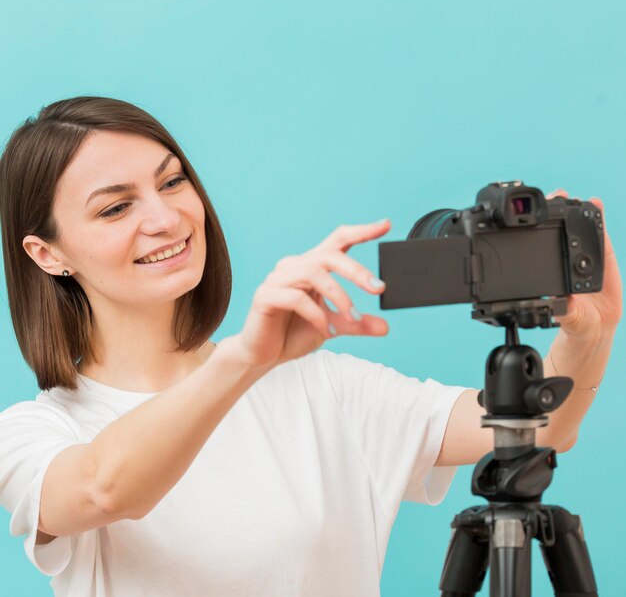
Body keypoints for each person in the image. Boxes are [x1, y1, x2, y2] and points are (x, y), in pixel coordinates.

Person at [0, 96, 620, 597]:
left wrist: (591, 333)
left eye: (173, 181)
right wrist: (247, 359)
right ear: (47, 254)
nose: (165, 218)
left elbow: (538, 430)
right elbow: (106, 489)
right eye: (115, 209)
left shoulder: (321, 387)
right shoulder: (35, 434)